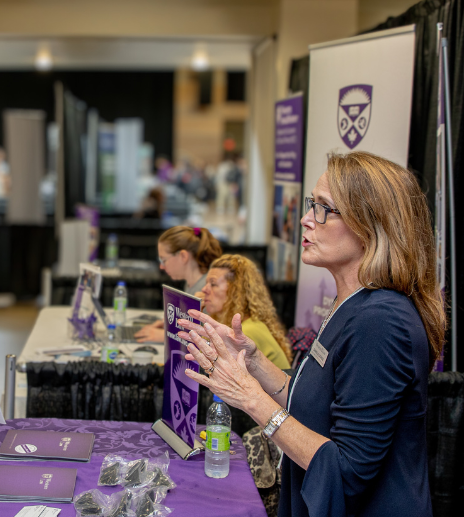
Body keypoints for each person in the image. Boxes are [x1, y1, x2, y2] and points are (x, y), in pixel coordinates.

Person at [179, 151, 444, 517]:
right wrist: (252, 361)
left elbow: (346, 471)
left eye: (323, 208)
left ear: (371, 224)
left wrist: (251, 399)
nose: (305, 220)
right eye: (310, 205)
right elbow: (317, 401)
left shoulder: (381, 322)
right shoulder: (350, 303)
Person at [201, 254, 291, 370]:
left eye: (213, 284)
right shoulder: (245, 322)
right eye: (206, 283)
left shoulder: (246, 331)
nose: (204, 290)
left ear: (236, 291)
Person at [134, 225, 222, 342]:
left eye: (163, 260)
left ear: (183, 256)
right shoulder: (191, 284)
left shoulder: (207, 290)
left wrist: (165, 335)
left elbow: (212, 339)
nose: (161, 266)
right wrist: (172, 324)